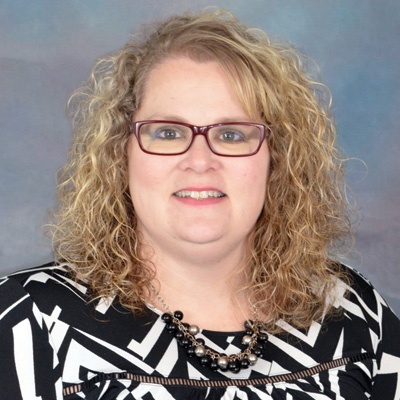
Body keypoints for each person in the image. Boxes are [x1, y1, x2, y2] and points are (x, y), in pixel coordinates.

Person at [1, 8, 399, 400]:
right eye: (168, 132)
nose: (200, 161)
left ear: (277, 160)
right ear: (120, 154)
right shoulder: (27, 319)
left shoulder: (352, 312)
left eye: (231, 135)